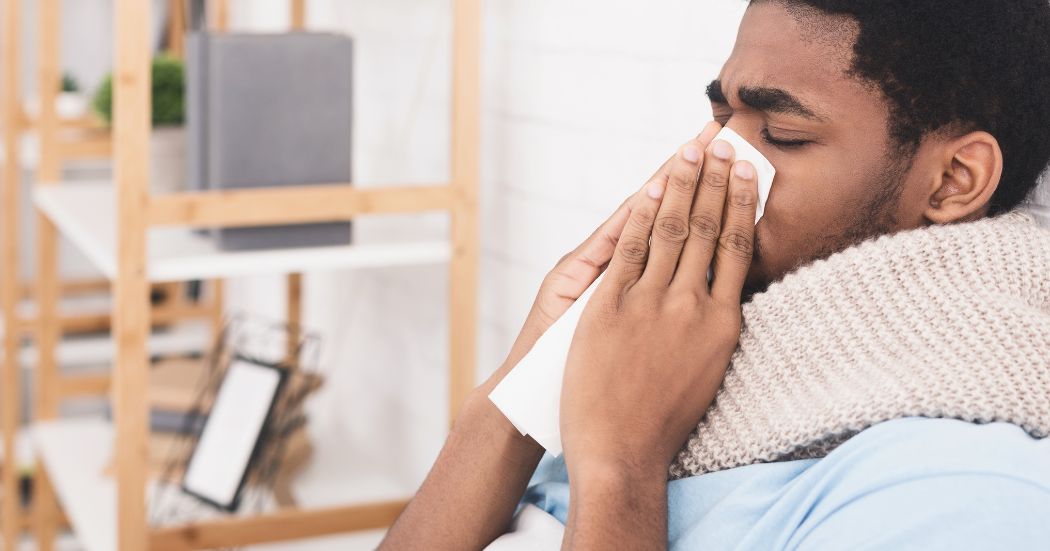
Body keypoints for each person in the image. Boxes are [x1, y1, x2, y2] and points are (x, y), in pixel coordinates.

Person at [380, 1, 1050, 549]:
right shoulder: (662, 363)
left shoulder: (963, 493)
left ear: (954, 179)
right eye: (723, 119)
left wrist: (621, 465)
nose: (709, 163)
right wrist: (519, 397)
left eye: (782, 135)